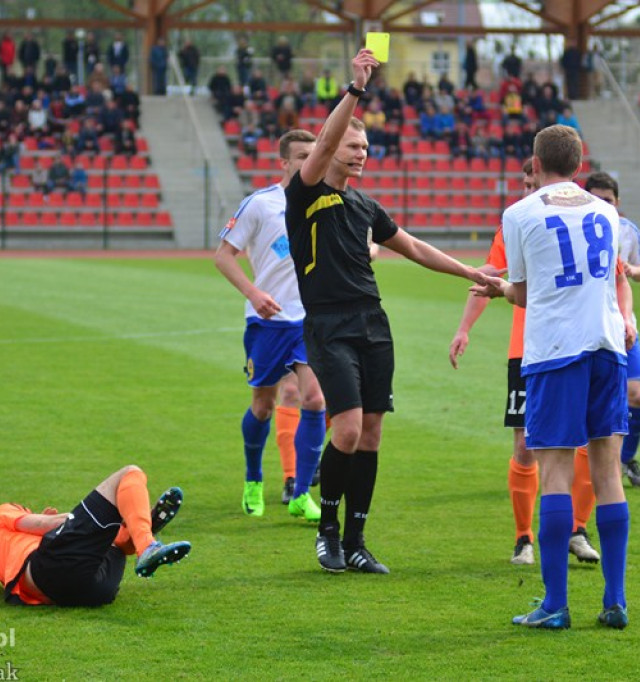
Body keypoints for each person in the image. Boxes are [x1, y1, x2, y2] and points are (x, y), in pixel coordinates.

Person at [283, 48, 490, 575]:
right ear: (329, 153)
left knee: (371, 435)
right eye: (354, 145)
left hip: (373, 323)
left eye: (366, 147)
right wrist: (355, 89)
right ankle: (327, 533)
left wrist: (471, 273)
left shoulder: (365, 207)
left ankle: (357, 541)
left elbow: (415, 248)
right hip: (328, 325)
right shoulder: (304, 196)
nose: (361, 153)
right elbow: (327, 138)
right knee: (346, 430)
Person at [470, 124, 637, 630]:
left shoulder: (519, 214)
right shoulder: (607, 212)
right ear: (580, 165)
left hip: (554, 351)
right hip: (607, 349)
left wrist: (497, 288)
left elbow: (524, 291)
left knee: (556, 475)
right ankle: (615, 602)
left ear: (536, 165)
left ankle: (556, 605)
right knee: (608, 474)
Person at [449, 158, 602, 567]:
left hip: (581, 343)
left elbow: (616, 275)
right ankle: (523, 538)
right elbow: (489, 276)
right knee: (526, 446)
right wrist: (464, 328)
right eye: (522, 181)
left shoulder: (584, 220)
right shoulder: (515, 224)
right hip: (529, 350)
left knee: (586, 440)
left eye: (530, 180)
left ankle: (578, 529)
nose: (525, 187)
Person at [214, 129, 327, 523]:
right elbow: (224, 255)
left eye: (314, 154)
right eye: (301, 156)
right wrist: (254, 293)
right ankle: (253, 480)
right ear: (284, 162)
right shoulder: (261, 205)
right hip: (267, 323)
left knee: (314, 400)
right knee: (263, 406)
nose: (309, 161)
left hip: (309, 321)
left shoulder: (325, 201)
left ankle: (299, 494)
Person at [0, 465, 191, 606]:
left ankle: (134, 532)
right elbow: (49, 523)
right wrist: (67, 523)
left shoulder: (4, 570)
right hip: (51, 568)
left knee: (115, 544)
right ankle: (145, 541)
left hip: (88, 592)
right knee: (128, 474)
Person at [585, 172, 640, 489]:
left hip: (621, 323)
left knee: (636, 394)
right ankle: (586, 465)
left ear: (618, 202)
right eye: (596, 199)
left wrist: (629, 270)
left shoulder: (626, 231)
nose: (602, 205)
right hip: (586, 328)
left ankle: (626, 458)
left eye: (608, 200)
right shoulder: (577, 228)